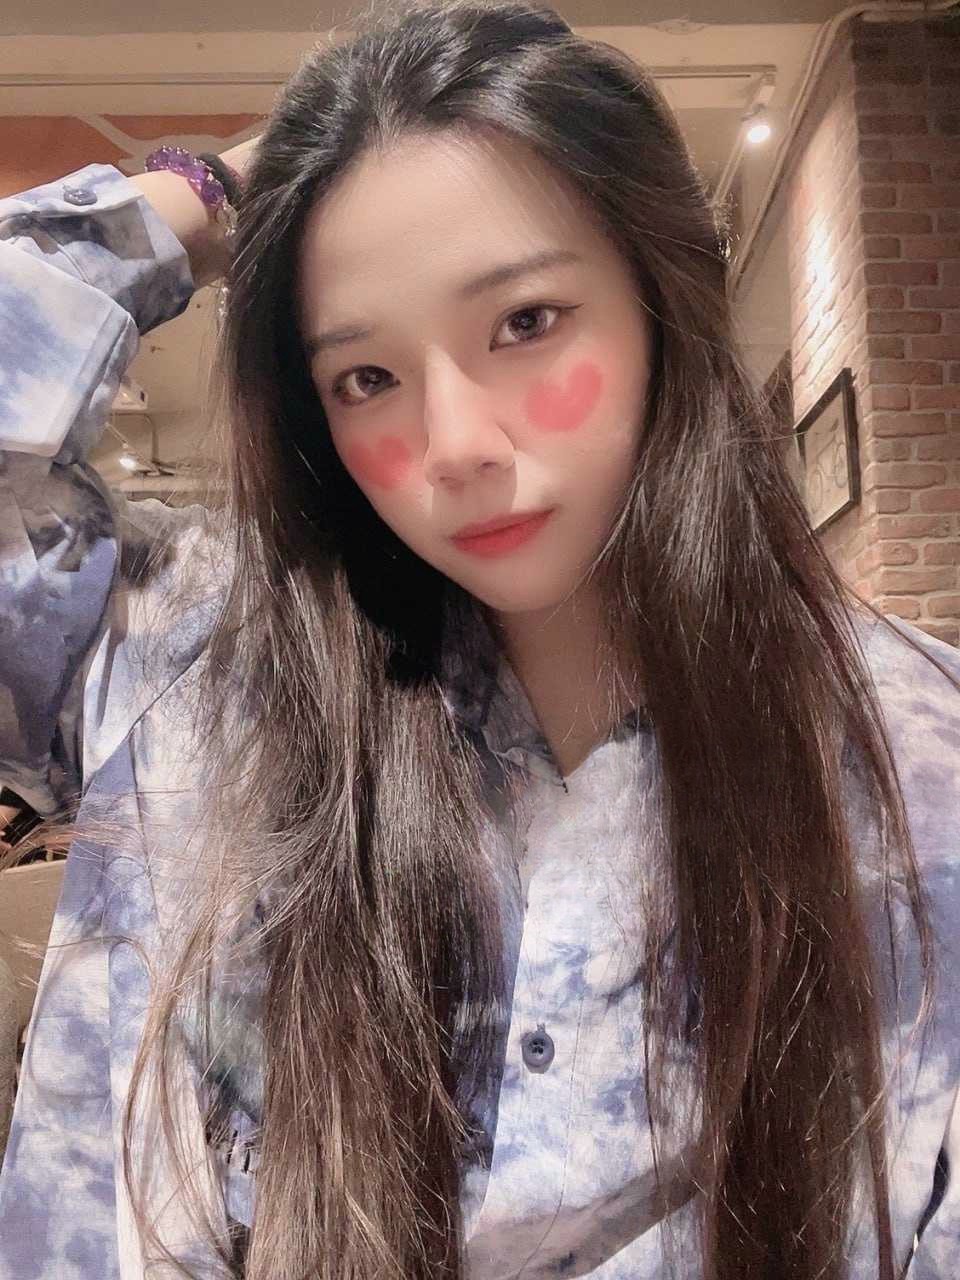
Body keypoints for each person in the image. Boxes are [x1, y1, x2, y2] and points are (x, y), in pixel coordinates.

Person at [0, 1, 958, 1277]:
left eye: (525, 322)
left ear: (660, 297)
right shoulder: (203, 666)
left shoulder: (913, 758)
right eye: (367, 378)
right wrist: (216, 194)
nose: (453, 445)